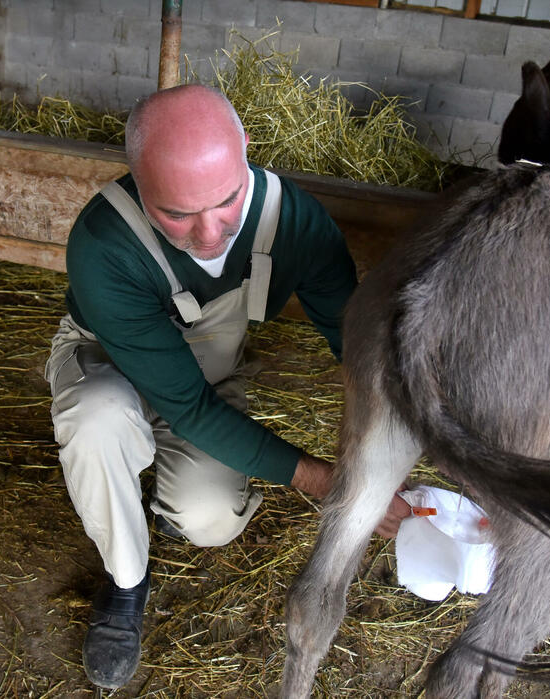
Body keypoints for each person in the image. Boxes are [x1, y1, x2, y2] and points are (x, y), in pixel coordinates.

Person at [44, 84, 411, 690]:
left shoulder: (294, 220)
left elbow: (357, 344)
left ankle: (157, 501)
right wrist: (328, 482)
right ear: (138, 181)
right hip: (113, 366)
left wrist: (393, 439)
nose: (210, 234)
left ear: (245, 154)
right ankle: (126, 580)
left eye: (225, 202)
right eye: (177, 214)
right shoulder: (104, 244)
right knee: (98, 420)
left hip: (206, 373)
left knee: (212, 520)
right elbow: (185, 405)